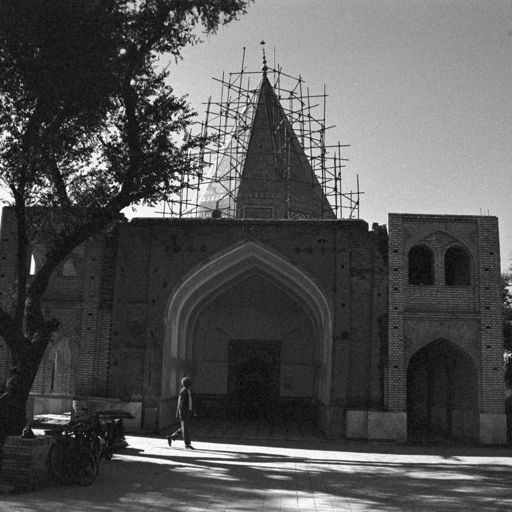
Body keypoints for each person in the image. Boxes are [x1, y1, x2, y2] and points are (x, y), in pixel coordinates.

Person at [167, 377, 194, 449]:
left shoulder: (187, 391)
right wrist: (183, 413)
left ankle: (171, 437)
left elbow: (189, 402)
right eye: (189, 383)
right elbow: (181, 404)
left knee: (183, 428)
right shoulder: (184, 392)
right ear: (187, 384)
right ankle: (187, 444)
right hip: (184, 413)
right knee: (185, 428)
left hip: (187, 412)